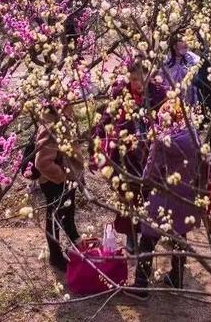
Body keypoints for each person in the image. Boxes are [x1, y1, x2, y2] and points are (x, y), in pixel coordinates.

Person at [131, 102, 211, 299]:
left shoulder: (162, 142)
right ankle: (176, 278)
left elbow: (149, 173)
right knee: (179, 237)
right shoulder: (195, 137)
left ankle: (141, 285)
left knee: (148, 239)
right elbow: (204, 168)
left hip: (163, 198)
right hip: (186, 196)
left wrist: (142, 186)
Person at [93, 60, 168, 251]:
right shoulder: (121, 92)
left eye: (143, 79)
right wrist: (96, 141)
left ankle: (149, 234)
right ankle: (131, 235)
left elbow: (169, 120)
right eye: (134, 79)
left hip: (151, 154)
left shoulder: (160, 93)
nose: (139, 84)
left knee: (150, 196)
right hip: (125, 154)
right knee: (128, 196)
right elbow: (107, 118)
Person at [34, 109, 84, 271]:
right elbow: (42, 162)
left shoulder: (65, 115)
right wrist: (62, 176)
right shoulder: (52, 124)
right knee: (54, 217)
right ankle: (55, 256)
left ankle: (76, 244)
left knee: (68, 211)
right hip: (54, 180)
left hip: (67, 177)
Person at [161, 39, 200, 105]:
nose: (185, 43)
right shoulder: (166, 61)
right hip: (171, 97)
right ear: (174, 46)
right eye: (181, 41)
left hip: (188, 98)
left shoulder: (192, 59)